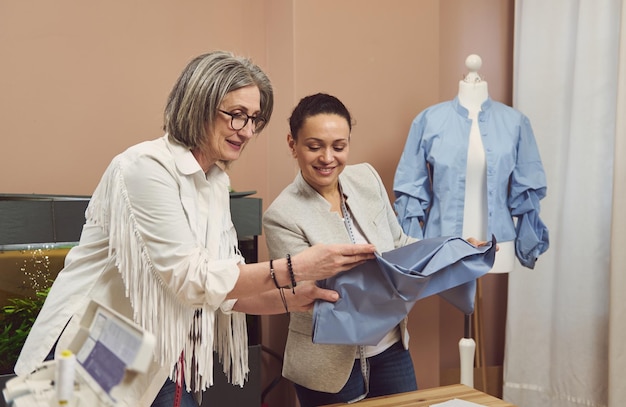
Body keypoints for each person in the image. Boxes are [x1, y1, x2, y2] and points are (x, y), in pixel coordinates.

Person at [13, 52, 376, 407]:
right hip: (92, 349)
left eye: (254, 119)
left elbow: (224, 288)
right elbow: (191, 279)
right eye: (236, 115)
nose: (247, 131)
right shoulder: (145, 167)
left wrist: (289, 298)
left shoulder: (215, 181)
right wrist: (294, 269)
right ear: (199, 105)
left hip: (153, 358)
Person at [261, 93, 419, 406]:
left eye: (339, 146)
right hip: (327, 365)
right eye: (314, 146)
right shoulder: (282, 215)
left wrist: (455, 248)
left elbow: (400, 244)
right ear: (293, 144)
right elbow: (305, 292)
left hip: (390, 348)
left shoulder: (367, 179)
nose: (328, 158)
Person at [393, 55, 548, 270]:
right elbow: (411, 187)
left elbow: (527, 189)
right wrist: (414, 248)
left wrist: (528, 242)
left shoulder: (515, 122)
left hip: (499, 245)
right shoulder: (428, 120)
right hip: (441, 242)